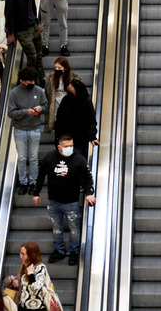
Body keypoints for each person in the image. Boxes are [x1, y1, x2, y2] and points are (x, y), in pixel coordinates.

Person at [34, 134, 96, 266]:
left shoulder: (79, 160)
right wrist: (36, 193)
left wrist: (89, 193)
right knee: (56, 228)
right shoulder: (49, 158)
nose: (70, 148)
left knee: (74, 228)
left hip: (71, 202)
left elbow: (88, 178)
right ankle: (59, 250)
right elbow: (40, 176)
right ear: (59, 147)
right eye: (66, 146)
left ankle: (74, 251)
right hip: (54, 201)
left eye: (72, 146)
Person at [7, 66, 48, 195]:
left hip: (35, 129)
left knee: (34, 158)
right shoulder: (14, 93)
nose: (32, 83)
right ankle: (23, 183)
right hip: (20, 129)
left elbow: (45, 106)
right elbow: (10, 113)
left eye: (33, 80)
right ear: (22, 80)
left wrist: (41, 108)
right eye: (29, 81)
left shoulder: (39, 91)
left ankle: (33, 182)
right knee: (22, 158)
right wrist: (26, 112)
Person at [5, 0, 44, 81]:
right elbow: (9, 12)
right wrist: (10, 33)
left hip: (33, 25)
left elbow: (33, 6)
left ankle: (41, 77)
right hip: (21, 29)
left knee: (39, 53)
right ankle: (31, 79)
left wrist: (37, 22)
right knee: (32, 55)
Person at [54, 80, 99, 160]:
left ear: (77, 91)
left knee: (78, 160)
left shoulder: (86, 102)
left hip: (80, 138)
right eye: (69, 89)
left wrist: (92, 136)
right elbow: (59, 118)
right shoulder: (66, 100)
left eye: (71, 90)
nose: (69, 92)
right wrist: (58, 135)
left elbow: (91, 120)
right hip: (65, 137)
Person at [17, 242, 51, 311]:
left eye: (23, 254)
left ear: (31, 255)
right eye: (20, 253)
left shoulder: (41, 267)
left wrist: (31, 274)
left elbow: (36, 288)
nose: (21, 256)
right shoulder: (25, 266)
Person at [44, 57, 80, 135]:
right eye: (55, 67)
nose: (57, 69)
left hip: (69, 110)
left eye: (59, 68)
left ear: (65, 68)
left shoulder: (73, 79)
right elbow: (46, 95)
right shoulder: (50, 79)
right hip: (56, 109)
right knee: (58, 134)